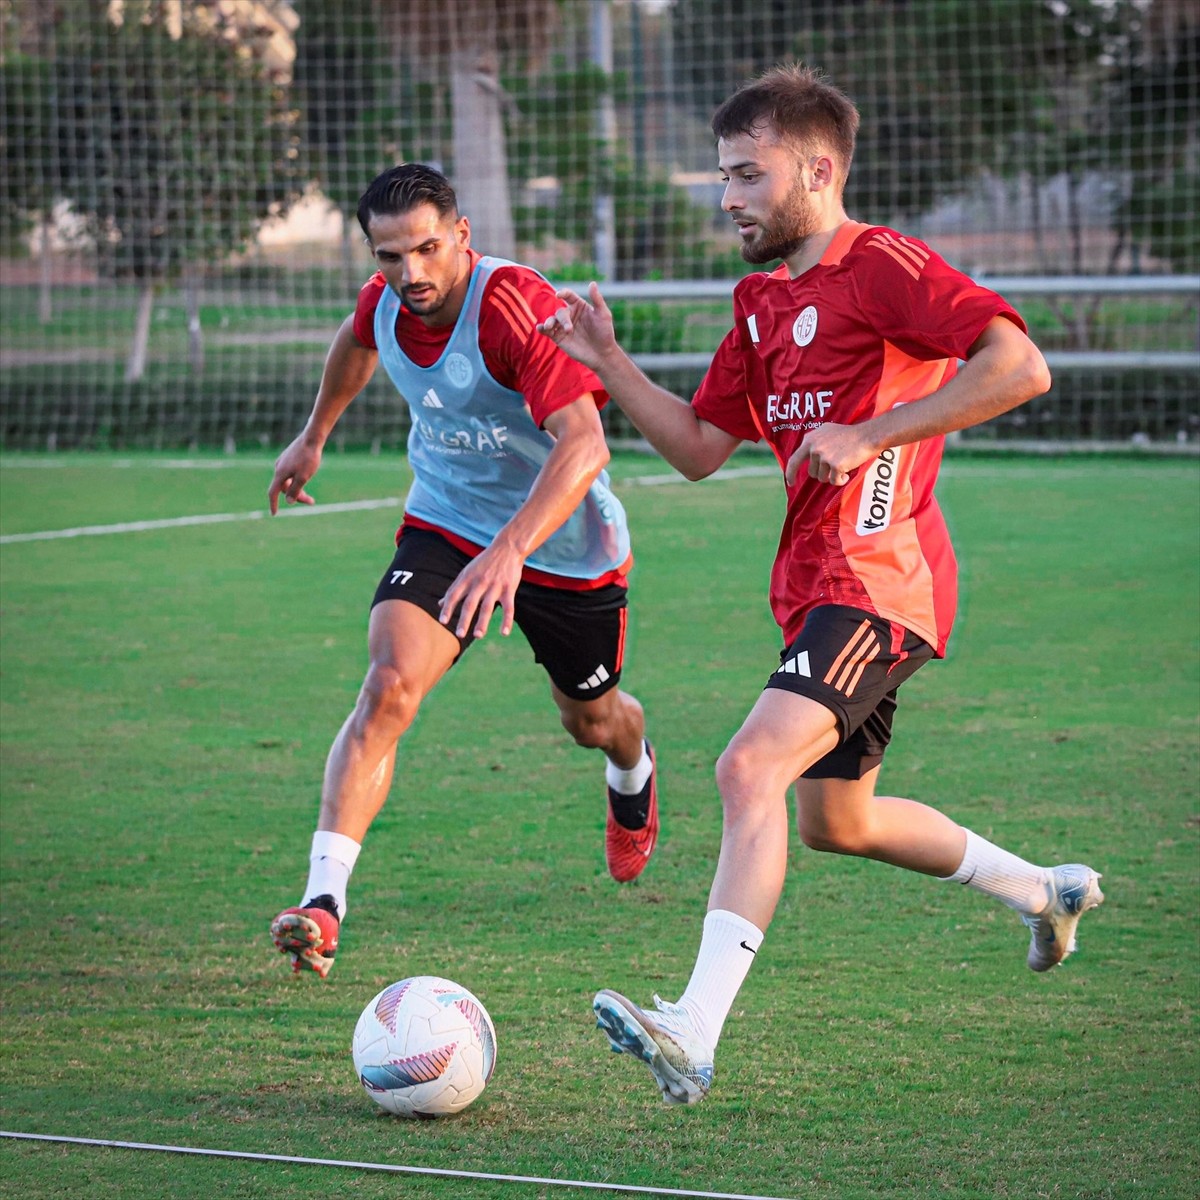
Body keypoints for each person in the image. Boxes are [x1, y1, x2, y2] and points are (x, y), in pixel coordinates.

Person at [537, 63, 1103, 1105]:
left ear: (819, 169)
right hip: (815, 590)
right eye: (723, 176)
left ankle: (693, 1032)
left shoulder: (882, 265)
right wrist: (610, 360)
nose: (729, 198)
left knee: (747, 770)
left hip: (882, 581)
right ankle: (1044, 889)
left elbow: (1020, 366)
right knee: (834, 821)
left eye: (748, 175)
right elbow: (704, 446)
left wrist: (874, 431)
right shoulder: (761, 302)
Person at [267, 163, 659, 979]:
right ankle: (324, 902)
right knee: (388, 686)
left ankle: (633, 766)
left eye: (426, 249)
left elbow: (586, 446)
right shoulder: (386, 300)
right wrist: (314, 437)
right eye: (388, 256)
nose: (409, 273)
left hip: (562, 547)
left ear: (463, 238)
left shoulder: (515, 308)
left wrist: (510, 550)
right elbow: (355, 340)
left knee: (591, 719)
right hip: (446, 523)